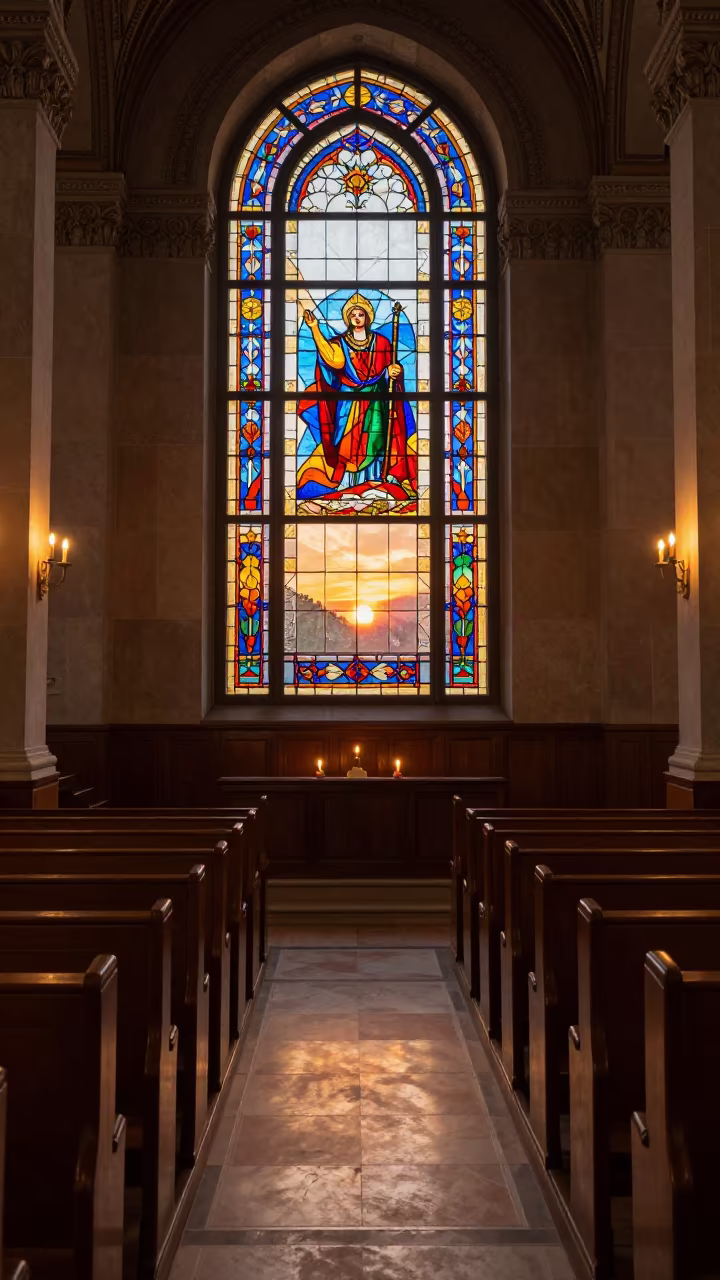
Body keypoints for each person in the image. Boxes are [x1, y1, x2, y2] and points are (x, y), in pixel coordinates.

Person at [297, 292, 417, 511]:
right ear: (348, 318)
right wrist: (314, 328)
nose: (357, 317)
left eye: (361, 314)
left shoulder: (381, 342)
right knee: (347, 445)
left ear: (367, 317)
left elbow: (393, 372)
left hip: (377, 405)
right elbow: (332, 360)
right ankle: (349, 486)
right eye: (353, 314)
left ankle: (377, 482)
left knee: (377, 443)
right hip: (348, 405)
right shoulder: (340, 343)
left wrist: (395, 372)